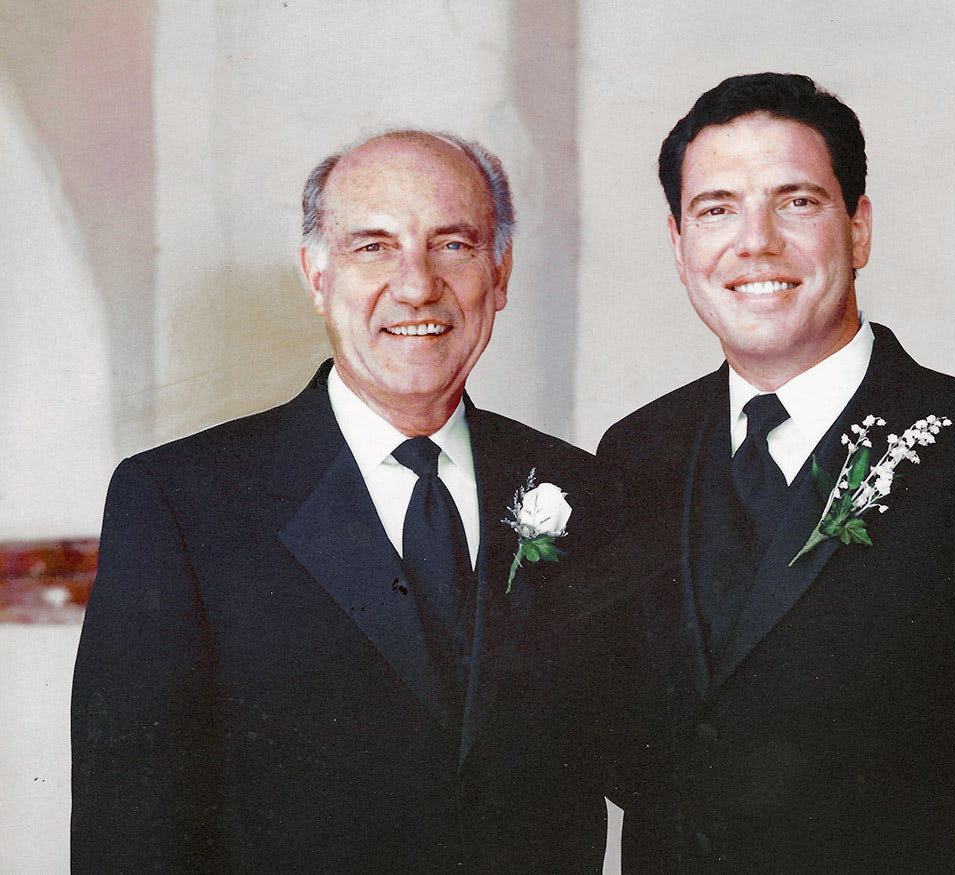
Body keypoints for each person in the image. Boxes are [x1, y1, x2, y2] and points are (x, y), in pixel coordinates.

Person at [596, 73, 955, 872]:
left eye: (797, 202)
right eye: (716, 209)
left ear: (859, 230)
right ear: (679, 247)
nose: (756, 242)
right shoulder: (635, 455)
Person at [72, 130, 605, 872]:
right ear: (316, 276)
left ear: (501, 270)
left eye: (453, 245)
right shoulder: (181, 503)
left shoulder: (582, 486)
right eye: (373, 247)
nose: (417, 285)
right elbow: (126, 838)